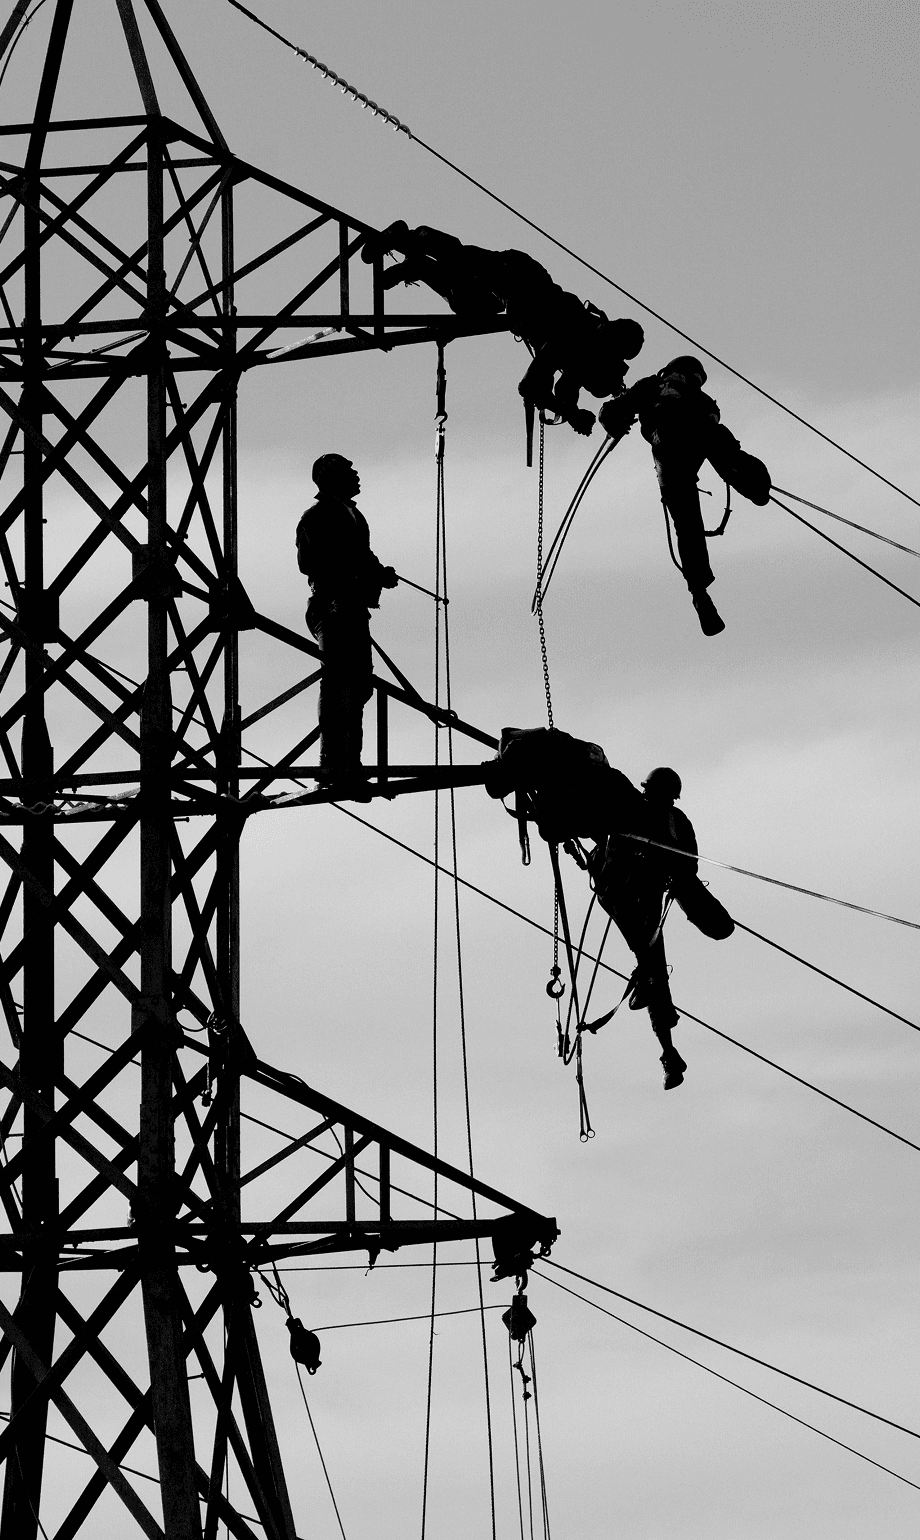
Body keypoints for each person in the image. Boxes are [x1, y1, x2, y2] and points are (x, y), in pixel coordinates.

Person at [361, 221, 644, 436]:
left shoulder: (582, 352)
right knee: (459, 260)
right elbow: (531, 386)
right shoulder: (572, 341)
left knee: (463, 301)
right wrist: (570, 414)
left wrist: (571, 409)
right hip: (519, 278)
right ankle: (405, 237)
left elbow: (565, 386)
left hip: (517, 294)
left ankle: (417, 267)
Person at [598, 356, 771, 636]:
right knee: (719, 449)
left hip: (667, 449)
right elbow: (715, 432)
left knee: (687, 524)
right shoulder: (702, 402)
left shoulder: (652, 386)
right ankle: (753, 484)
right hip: (689, 444)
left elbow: (612, 409)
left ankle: (698, 590)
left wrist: (615, 421)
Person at [588, 767, 701, 1090]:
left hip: (642, 897)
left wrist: (660, 858)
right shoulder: (632, 809)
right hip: (619, 893)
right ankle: (668, 1051)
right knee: (650, 966)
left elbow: (688, 864)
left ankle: (668, 1052)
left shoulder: (673, 821)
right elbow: (601, 829)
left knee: (651, 968)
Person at [295, 454, 398, 796]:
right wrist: (355, 575)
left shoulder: (355, 516)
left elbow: (363, 557)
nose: (356, 476)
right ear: (329, 478)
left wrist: (378, 574)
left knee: (359, 685)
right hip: (332, 606)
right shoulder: (316, 516)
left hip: (351, 608)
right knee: (340, 683)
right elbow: (311, 561)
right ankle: (334, 763)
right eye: (348, 471)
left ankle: (348, 762)